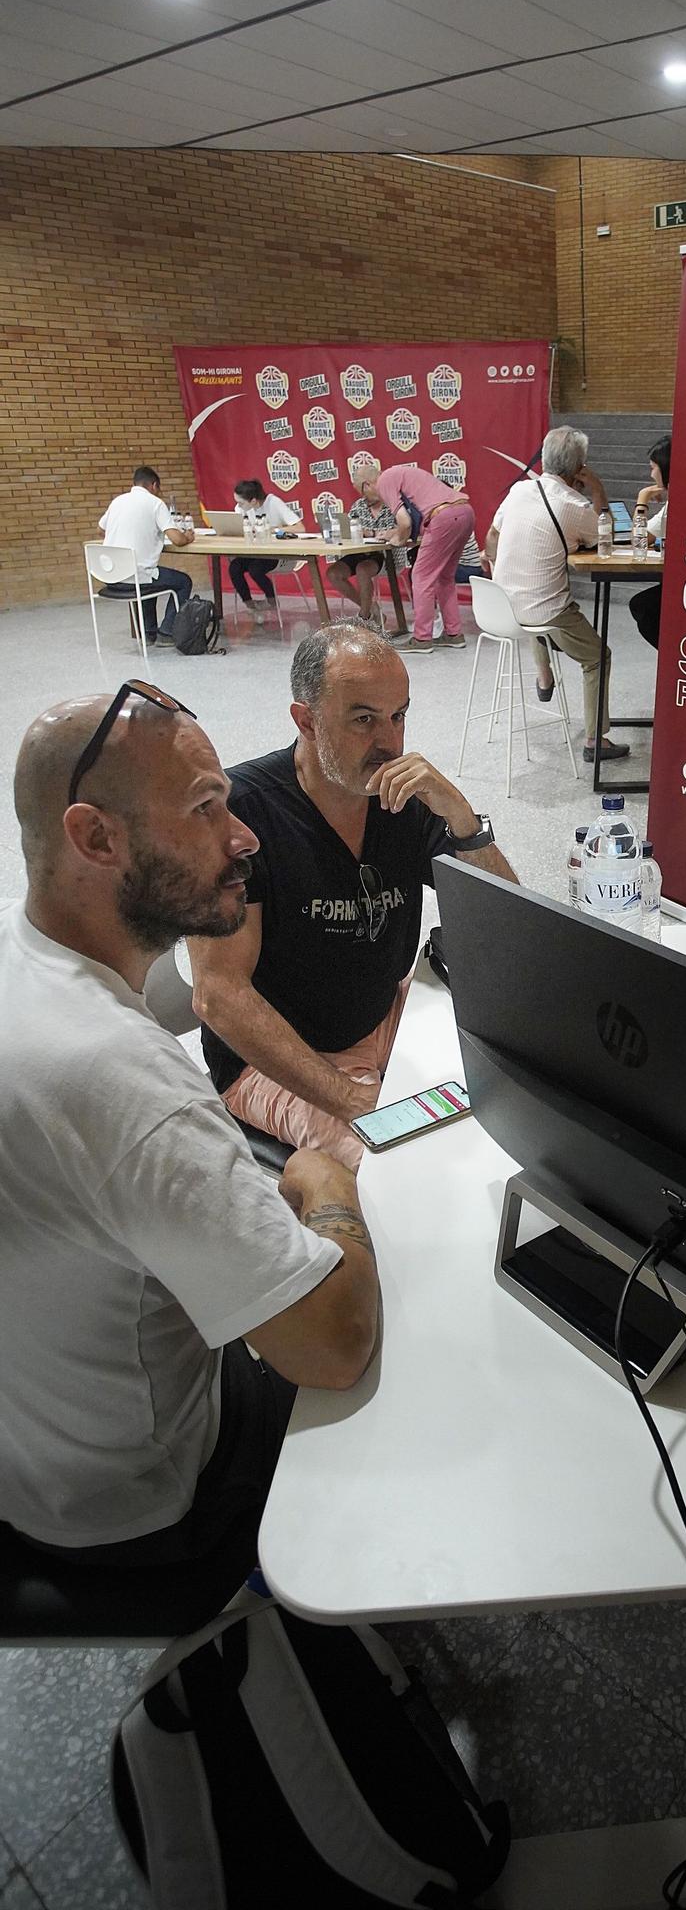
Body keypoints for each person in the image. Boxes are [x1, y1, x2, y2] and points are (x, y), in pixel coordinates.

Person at [1, 684, 379, 1569]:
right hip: (135, 1498)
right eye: (207, 809)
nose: (242, 837)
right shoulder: (126, 1083)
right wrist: (322, 1183)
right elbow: (330, 1348)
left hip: (33, 1444)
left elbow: (187, 991)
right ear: (96, 838)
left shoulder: (28, 964)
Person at [190, 622, 517, 1170]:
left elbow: (509, 922)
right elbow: (218, 995)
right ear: (306, 721)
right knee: (403, 1172)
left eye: (399, 716)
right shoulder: (242, 815)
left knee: (514, 1100)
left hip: (382, 1015)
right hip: (277, 1062)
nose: (389, 742)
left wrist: (461, 818)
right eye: (364, 719)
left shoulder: (402, 799)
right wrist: (349, 1098)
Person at [484, 426, 628, 765]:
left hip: (499, 607)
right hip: (542, 613)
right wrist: (597, 489)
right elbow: (604, 535)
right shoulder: (574, 504)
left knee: (534, 594)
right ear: (579, 467)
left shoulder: (519, 489)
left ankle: (544, 674)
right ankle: (596, 739)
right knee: (598, 656)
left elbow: (492, 536)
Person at [360, 464, 473, 653]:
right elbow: (415, 521)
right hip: (465, 513)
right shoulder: (402, 474)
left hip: (443, 517)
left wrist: (397, 540)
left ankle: (422, 638)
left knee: (421, 577)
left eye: (363, 495)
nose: (366, 500)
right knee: (445, 578)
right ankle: (454, 634)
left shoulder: (384, 480)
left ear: (366, 485)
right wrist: (396, 533)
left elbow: (405, 522)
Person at [97, 465, 194, 645]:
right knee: (182, 581)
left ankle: (148, 634)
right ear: (154, 485)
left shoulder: (118, 501)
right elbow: (177, 540)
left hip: (110, 576)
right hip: (135, 576)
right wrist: (187, 536)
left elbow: (100, 529)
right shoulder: (155, 503)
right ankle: (166, 631)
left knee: (151, 578)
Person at [324, 475, 413, 627]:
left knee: (362, 569)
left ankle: (364, 617)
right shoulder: (358, 505)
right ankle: (371, 609)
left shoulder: (394, 504)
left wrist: (371, 532)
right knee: (333, 573)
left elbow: (404, 528)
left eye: (366, 493)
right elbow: (350, 529)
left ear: (374, 486)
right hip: (359, 551)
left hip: (385, 555)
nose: (364, 497)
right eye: (361, 493)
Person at [229, 476, 300, 613]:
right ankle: (249, 604)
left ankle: (272, 600)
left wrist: (274, 530)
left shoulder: (273, 502)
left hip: (277, 554)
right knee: (235, 567)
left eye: (241, 503)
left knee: (255, 569)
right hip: (254, 552)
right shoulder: (241, 509)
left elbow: (299, 527)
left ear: (253, 501)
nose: (238, 506)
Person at [628, 434, 671, 650]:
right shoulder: (671, 502)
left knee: (643, 607)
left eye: (653, 467)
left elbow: (639, 543)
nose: (651, 474)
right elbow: (643, 539)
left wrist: (642, 500)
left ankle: (672, 656)